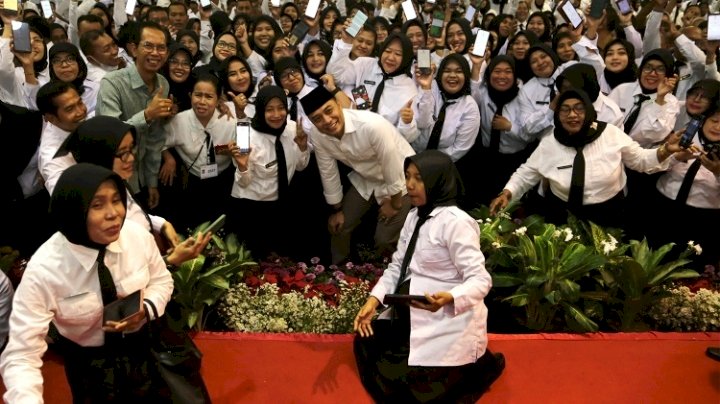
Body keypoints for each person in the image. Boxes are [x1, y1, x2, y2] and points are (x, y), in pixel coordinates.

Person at [0, 164, 178, 402]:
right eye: (97, 205)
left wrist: (146, 307)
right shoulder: (45, 269)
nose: (114, 213)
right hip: (89, 368)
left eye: (117, 200)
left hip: (145, 352)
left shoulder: (136, 237)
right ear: (74, 210)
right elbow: (22, 354)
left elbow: (161, 280)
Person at [353, 150, 505, 403]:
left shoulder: (456, 222)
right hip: (410, 312)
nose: (409, 185)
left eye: (419, 178)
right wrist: (373, 301)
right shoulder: (414, 216)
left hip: (446, 318)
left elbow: (480, 279)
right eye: (407, 177)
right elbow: (397, 266)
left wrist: (449, 297)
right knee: (366, 342)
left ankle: (476, 367)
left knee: (420, 392)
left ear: (438, 181)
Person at [490, 89, 689, 229]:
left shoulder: (610, 133)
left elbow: (640, 160)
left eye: (579, 108)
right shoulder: (550, 142)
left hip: (608, 214)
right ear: (558, 115)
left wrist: (666, 150)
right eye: (565, 109)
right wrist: (507, 192)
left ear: (589, 111)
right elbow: (527, 173)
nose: (572, 115)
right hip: (562, 215)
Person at [301, 85, 415, 264]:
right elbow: (328, 172)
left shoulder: (371, 125)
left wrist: (395, 203)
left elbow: (392, 165)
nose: (327, 120)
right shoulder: (318, 135)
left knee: (384, 239)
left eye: (329, 110)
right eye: (317, 119)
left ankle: (384, 277)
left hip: (402, 179)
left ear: (339, 104)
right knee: (338, 226)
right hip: (366, 178)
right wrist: (337, 209)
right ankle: (339, 274)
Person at [96, 21, 173, 211]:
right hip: (114, 177)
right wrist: (147, 115)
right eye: (148, 46)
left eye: (161, 48)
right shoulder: (112, 83)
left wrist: (152, 182)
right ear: (133, 49)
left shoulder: (162, 84)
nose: (155, 53)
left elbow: (155, 138)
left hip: (143, 178)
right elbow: (111, 136)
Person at [227, 85, 310, 259]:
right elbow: (243, 182)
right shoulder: (245, 133)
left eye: (281, 108)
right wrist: (242, 166)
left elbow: (301, 166)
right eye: (269, 109)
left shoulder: (293, 128)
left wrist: (303, 147)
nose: (277, 115)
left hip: (281, 205)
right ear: (260, 110)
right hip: (251, 207)